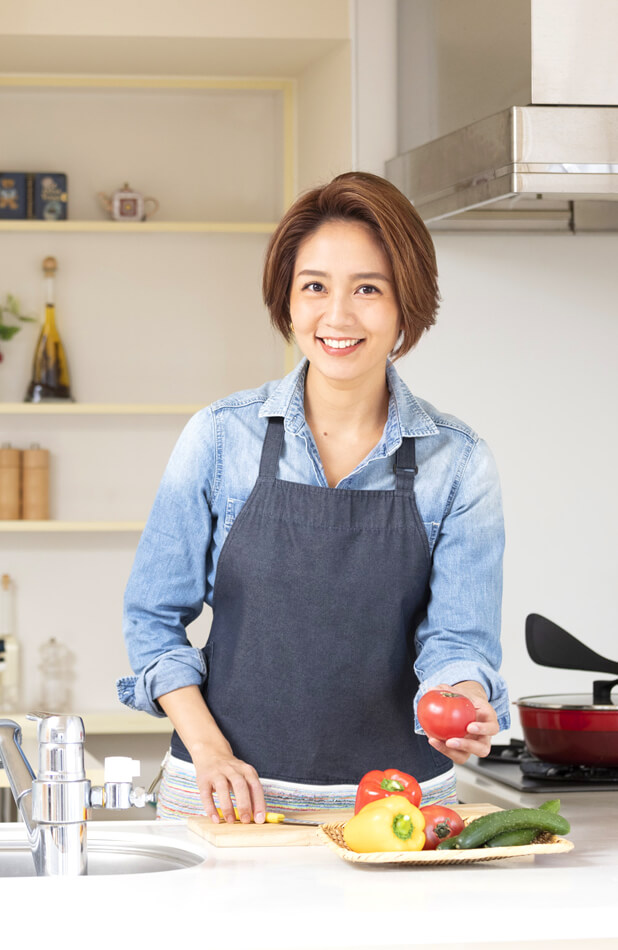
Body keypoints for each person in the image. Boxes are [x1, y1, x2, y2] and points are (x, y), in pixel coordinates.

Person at [117, 171, 510, 823]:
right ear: (288, 300)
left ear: (406, 302)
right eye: (315, 287)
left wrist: (462, 700)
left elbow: (458, 639)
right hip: (225, 802)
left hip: (397, 812)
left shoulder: (459, 462)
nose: (338, 317)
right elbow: (152, 619)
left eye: (368, 289)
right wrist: (211, 753)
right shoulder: (220, 437)